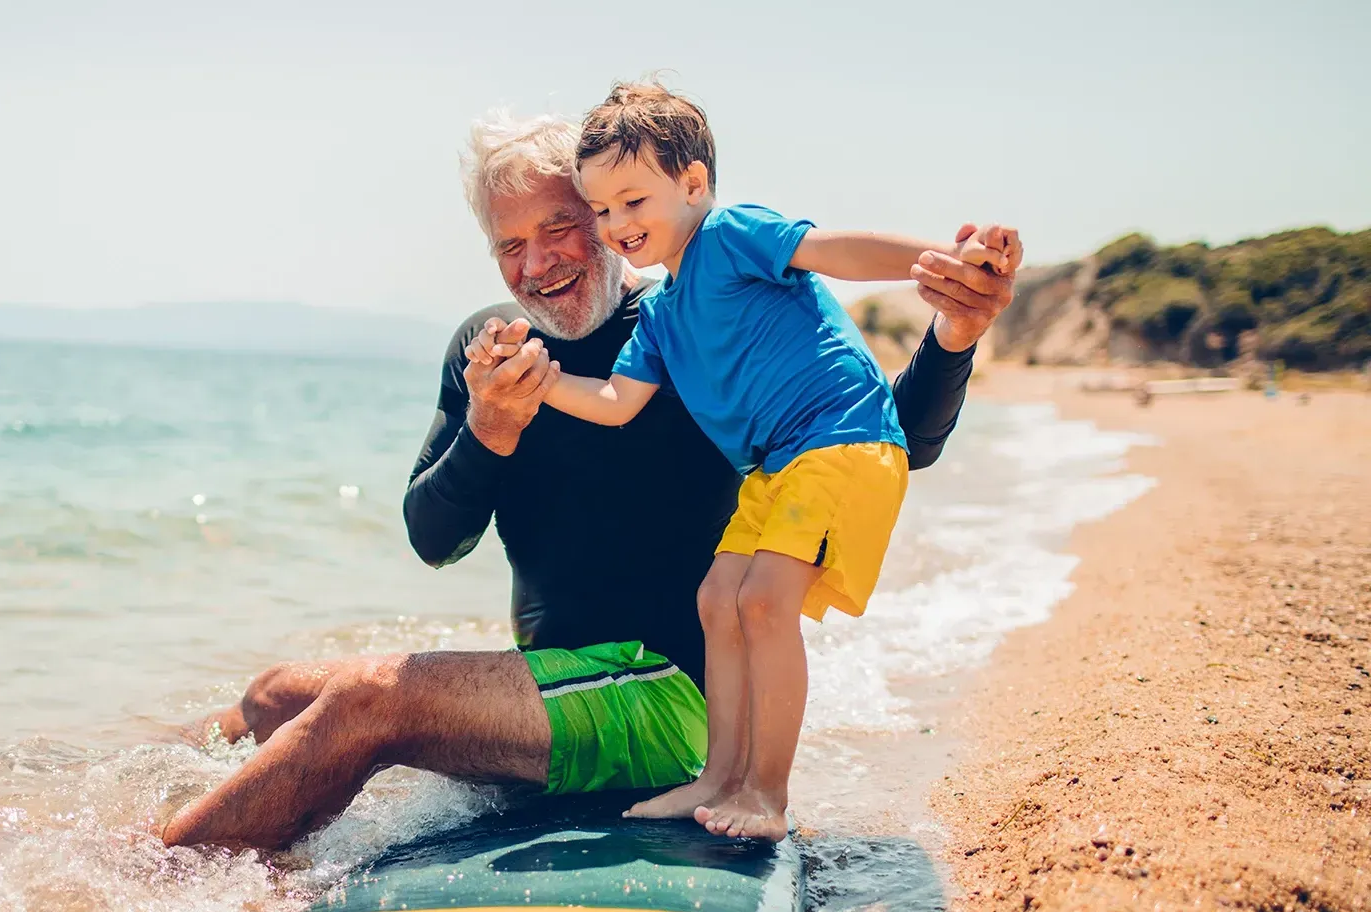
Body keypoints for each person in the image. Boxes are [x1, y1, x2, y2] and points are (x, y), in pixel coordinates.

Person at [158, 112, 1021, 852]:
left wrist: (953, 334)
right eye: (509, 245)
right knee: (272, 695)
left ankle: (153, 873)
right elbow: (434, 538)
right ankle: (198, 836)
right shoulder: (489, 349)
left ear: (610, 222)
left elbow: (883, 440)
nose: (537, 265)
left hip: (670, 694)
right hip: (561, 684)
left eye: (562, 226)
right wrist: (488, 430)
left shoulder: (686, 326)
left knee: (367, 702)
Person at [466, 80, 1015, 842]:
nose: (616, 224)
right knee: (717, 598)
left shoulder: (732, 235)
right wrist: (540, 379)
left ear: (692, 184)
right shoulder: (659, 314)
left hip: (840, 438)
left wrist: (942, 261)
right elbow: (617, 401)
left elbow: (836, 251)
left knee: (761, 604)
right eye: (601, 209)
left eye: (633, 201)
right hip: (774, 468)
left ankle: (769, 795)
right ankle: (717, 777)